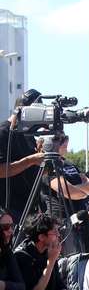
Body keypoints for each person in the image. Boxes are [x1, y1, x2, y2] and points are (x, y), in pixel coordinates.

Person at [44, 133, 89, 254]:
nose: (66, 147)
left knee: (87, 256)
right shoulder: (48, 167)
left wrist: (78, 189)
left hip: (81, 219)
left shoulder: (70, 165)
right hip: (62, 222)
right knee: (70, 260)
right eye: (62, 144)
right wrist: (83, 190)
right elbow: (68, 192)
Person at [0, 89, 45, 223]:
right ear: (22, 111)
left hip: (31, 210)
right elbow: (1, 170)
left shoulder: (28, 134)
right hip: (10, 212)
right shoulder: (3, 132)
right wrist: (30, 160)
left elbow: (35, 171)